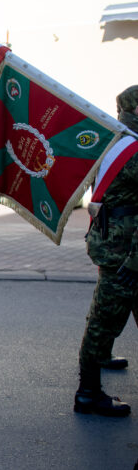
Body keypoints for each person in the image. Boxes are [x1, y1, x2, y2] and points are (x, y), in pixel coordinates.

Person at [74, 84, 138, 417]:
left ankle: (91, 383)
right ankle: (88, 393)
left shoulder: (113, 141)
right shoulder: (135, 150)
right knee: (102, 321)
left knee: (106, 316)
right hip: (126, 253)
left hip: (112, 243)